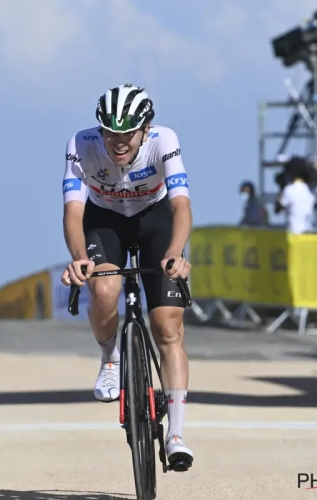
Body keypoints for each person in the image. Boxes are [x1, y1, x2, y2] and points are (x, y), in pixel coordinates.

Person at [60, 84, 194, 469]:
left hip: (155, 220)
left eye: (128, 133)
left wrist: (175, 253)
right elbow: (72, 212)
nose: (118, 142)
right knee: (103, 289)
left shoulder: (163, 139)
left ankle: (177, 435)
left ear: (145, 129)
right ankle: (110, 358)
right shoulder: (81, 144)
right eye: (110, 132)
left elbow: (181, 204)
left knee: (167, 325)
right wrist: (79, 258)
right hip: (105, 221)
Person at [274, 157, 315, 234]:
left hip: (295, 233)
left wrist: (281, 188)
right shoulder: (309, 190)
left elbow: (277, 209)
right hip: (308, 232)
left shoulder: (289, 190)